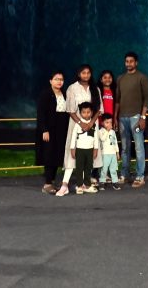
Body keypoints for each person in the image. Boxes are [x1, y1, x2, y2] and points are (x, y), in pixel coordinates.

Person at [58, 65, 102, 197]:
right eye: (83, 73)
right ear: (79, 74)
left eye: (88, 73)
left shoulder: (96, 89)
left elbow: (99, 109)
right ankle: (64, 184)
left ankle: (84, 184)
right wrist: (81, 123)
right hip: (76, 124)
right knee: (73, 154)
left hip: (92, 125)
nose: (86, 75)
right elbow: (71, 110)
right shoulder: (72, 88)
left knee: (88, 155)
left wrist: (90, 123)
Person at [116, 52, 148, 188]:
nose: (128, 63)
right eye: (127, 61)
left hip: (136, 116)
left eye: (131, 61)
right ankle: (125, 174)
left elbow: (147, 98)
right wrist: (115, 117)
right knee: (124, 148)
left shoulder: (142, 77)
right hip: (122, 117)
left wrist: (143, 117)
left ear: (136, 63)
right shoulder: (120, 78)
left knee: (139, 148)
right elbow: (117, 100)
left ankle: (140, 176)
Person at [36, 71, 69, 194]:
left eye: (61, 79)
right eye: (56, 79)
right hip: (49, 130)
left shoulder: (65, 94)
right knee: (49, 155)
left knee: (58, 154)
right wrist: (44, 130)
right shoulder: (45, 94)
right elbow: (41, 114)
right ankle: (47, 183)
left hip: (62, 129)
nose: (59, 81)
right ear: (51, 81)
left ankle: (53, 181)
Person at [66, 102, 100, 195]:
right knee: (79, 168)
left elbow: (96, 138)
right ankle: (79, 186)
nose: (86, 114)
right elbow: (73, 137)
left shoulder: (93, 125)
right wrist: (73, 149)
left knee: (89, 167)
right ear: (80, 113)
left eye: (88, 112)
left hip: (90, 150)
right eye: (84, 112)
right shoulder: (78, 125)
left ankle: (87, 185)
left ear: (92, 113)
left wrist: (96, 149)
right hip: (80, 150)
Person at [98, 117, 121, 190]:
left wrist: (117, 152)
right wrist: (107, 131)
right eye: (107, 122)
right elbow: (102, 139)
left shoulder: (113, 132)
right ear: (102, 123)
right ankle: (102, 182)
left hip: (113, 153)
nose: (109, 124)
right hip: (105, 153)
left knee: (113, 169)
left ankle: (115, 182)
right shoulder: (101, 131)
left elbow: (115, 142)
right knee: (104, 169)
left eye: (110, 122)